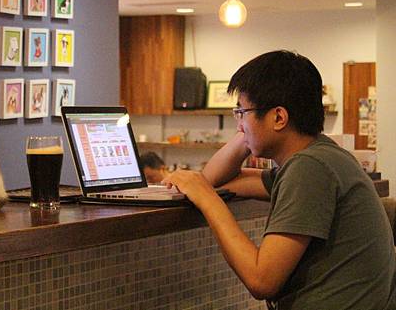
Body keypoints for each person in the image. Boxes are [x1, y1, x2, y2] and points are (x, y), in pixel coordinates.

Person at [162, 50, 395, 309]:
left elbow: (261, 280)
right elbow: (213, 180)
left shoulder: (310, 168)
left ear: (279, 117)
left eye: (242, 111)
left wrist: (207, 199)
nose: (238, 124)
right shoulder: (321, 156)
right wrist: (249, 132)